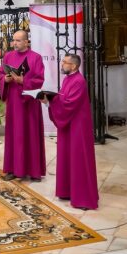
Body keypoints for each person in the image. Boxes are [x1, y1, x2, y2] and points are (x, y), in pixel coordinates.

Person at [40, 53, 98, 210]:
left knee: (79, 159)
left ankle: (83, 198)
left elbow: (69, 104)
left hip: (78, 127)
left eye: (65, 62)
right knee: (67, 157)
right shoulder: (67, 79)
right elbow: (63, 100)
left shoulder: (79, 81)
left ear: (74, 66)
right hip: (68, 124)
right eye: (62, 61)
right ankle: (67, 191)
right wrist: (49, 100)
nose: (62, 64)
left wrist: (50, 102)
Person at [0, 28, 46, 181]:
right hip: (14, 102)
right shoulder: (8, 56)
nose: (14, 43)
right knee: (15, 135)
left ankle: (34, 171)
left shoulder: (36, 57)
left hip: (29, 103)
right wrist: (5, 79)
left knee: (30, 135)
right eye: (13, 40)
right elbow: (1, 73)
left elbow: (39, 80)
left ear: (26, 42)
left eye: (18, 40)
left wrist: (23, 80)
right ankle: (13, 169)